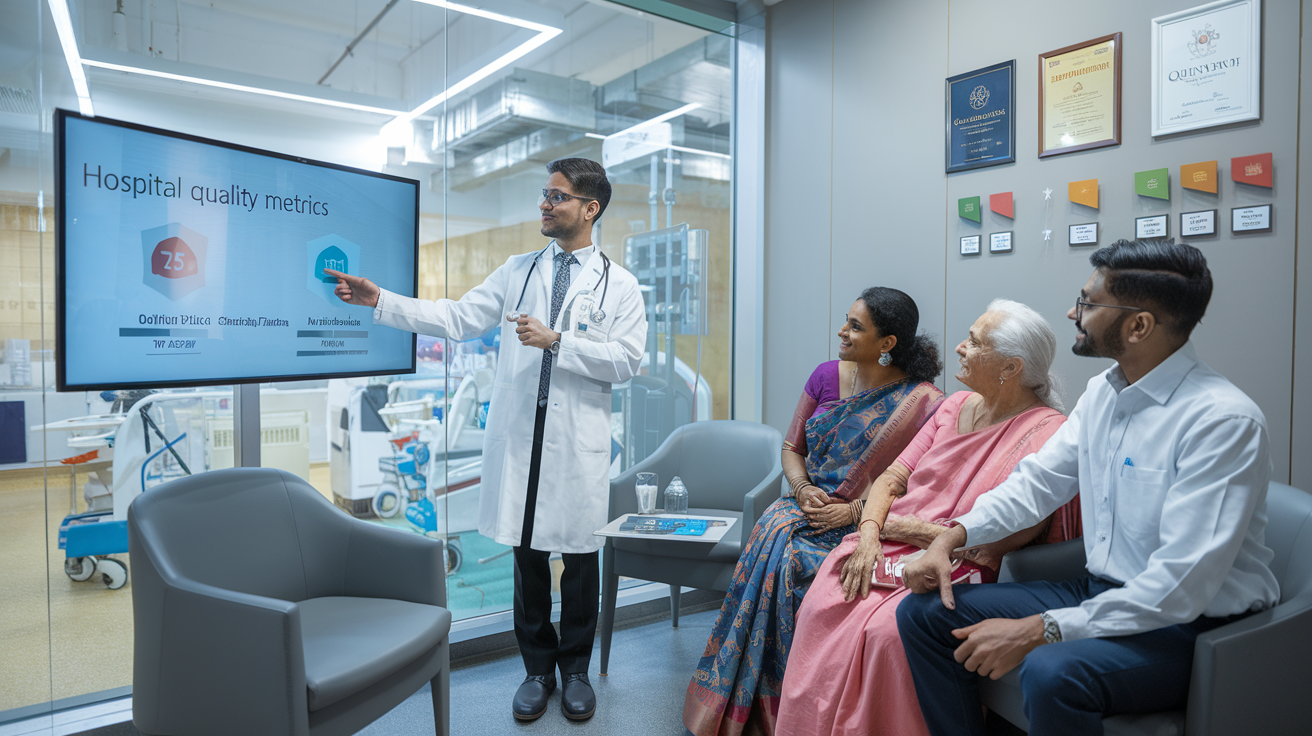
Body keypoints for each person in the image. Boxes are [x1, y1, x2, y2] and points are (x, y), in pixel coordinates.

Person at [897, 239, 1280, 736]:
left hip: (1193, 624)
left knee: (1051, 670)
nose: (1072, 312)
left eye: (1089, 303)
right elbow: (1038, 483)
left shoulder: (1222, 421)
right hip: (1100, 589)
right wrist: (953, 535)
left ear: (1138, 325)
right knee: (924, 614)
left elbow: (1180, 586)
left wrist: (1041, 630)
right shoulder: (1104, 392)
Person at [326, 158, 647, 723]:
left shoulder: (619, 285)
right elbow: (455, 317)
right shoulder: (518, 271)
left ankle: (575, 671)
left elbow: (625, 361)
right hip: (522, 442)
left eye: (558, 196)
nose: (545, 204)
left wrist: (557, 343)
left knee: (578, 562)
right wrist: (382, 300)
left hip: (577, 447)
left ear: (590, 209)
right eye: (544, 194)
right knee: (526, 558)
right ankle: (536, 670)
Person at [773, 299, 1079, 736]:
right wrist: (868, 534)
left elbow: (1008, 536)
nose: (959, 347)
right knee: (825, 600)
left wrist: (897, 528)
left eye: (974, 342)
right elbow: (891, 480)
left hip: (956, 561)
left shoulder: (1046, 431)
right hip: (887, 541)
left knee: (884, 632)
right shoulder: (954, 406)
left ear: (1010, 369)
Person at [684, 287, 945, 736]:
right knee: (778, 550)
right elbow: (792, 448)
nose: (842, 331)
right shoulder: (825, 376)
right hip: (801, 509)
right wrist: (802, 488)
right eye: (846, 320)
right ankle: (757, 709)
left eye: (856, 326)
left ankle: (806, 712)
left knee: (804, 567)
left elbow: (915, 491)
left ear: (888, 344)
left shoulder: (924, 404)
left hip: (864, 524)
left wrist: (852, 512)